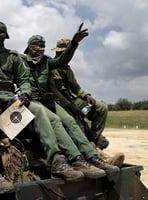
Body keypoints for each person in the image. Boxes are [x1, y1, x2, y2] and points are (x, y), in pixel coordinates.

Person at [0, 21, 97, 193]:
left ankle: (57, 161)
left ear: (4, 37)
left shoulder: (12, 57)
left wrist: (25, 93)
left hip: (9, 96)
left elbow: (24, 80)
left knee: (38, 111)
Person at [21, 34, 120, 178]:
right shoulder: (20, 61)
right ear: (29, 47)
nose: (39, 49)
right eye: (36, 46)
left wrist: (74, 43)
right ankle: (75, 158)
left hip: (48, 101)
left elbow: (65, 64)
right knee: (56, 121)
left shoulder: (48, 62)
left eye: (42, 46)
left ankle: (92, 157)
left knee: (71, 122)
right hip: (34, 101)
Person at [50, 38, 109, 150]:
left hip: (73, 101)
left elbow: (75, 87)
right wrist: (71, 106)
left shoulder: (67, 69)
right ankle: (91, 150)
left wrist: (86, 95)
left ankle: (95, 142)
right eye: (60, 52)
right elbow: (56, 92)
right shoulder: (51, 67)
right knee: (77, 125)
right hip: (60, 104)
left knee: (101, 108)